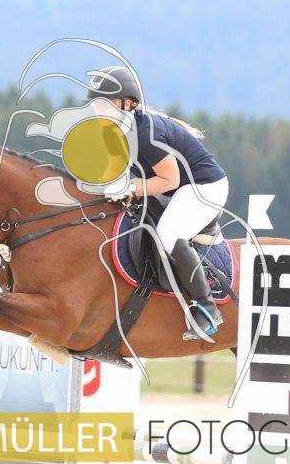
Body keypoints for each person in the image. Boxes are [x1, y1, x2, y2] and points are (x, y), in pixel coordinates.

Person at [88, 65, 229, 340]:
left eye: (104, 103)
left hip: (203, 187)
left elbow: (170, 179)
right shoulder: (115, 132)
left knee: (168, 233)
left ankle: (208, 308)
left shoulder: (145, 133)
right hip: (172, 190)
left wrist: (131, 187)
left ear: (127, 103)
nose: (97, 110)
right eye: (95, 103)